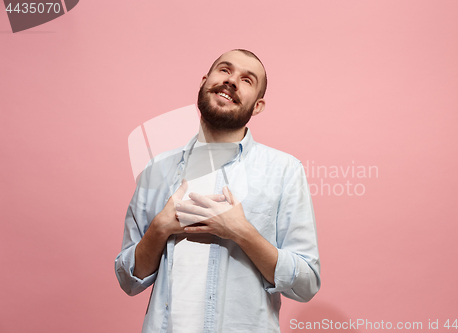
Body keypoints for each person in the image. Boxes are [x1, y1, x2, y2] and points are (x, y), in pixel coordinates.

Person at [115, 49, 321, 333]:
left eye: (247, 80)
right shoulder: (156, 170)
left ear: (258, 106)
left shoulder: (284, 170)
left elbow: (306, 283)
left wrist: (242, 232)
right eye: (225, 70)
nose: (232, 81)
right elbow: (128, 280)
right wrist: (159, 229)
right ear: (204, 81)